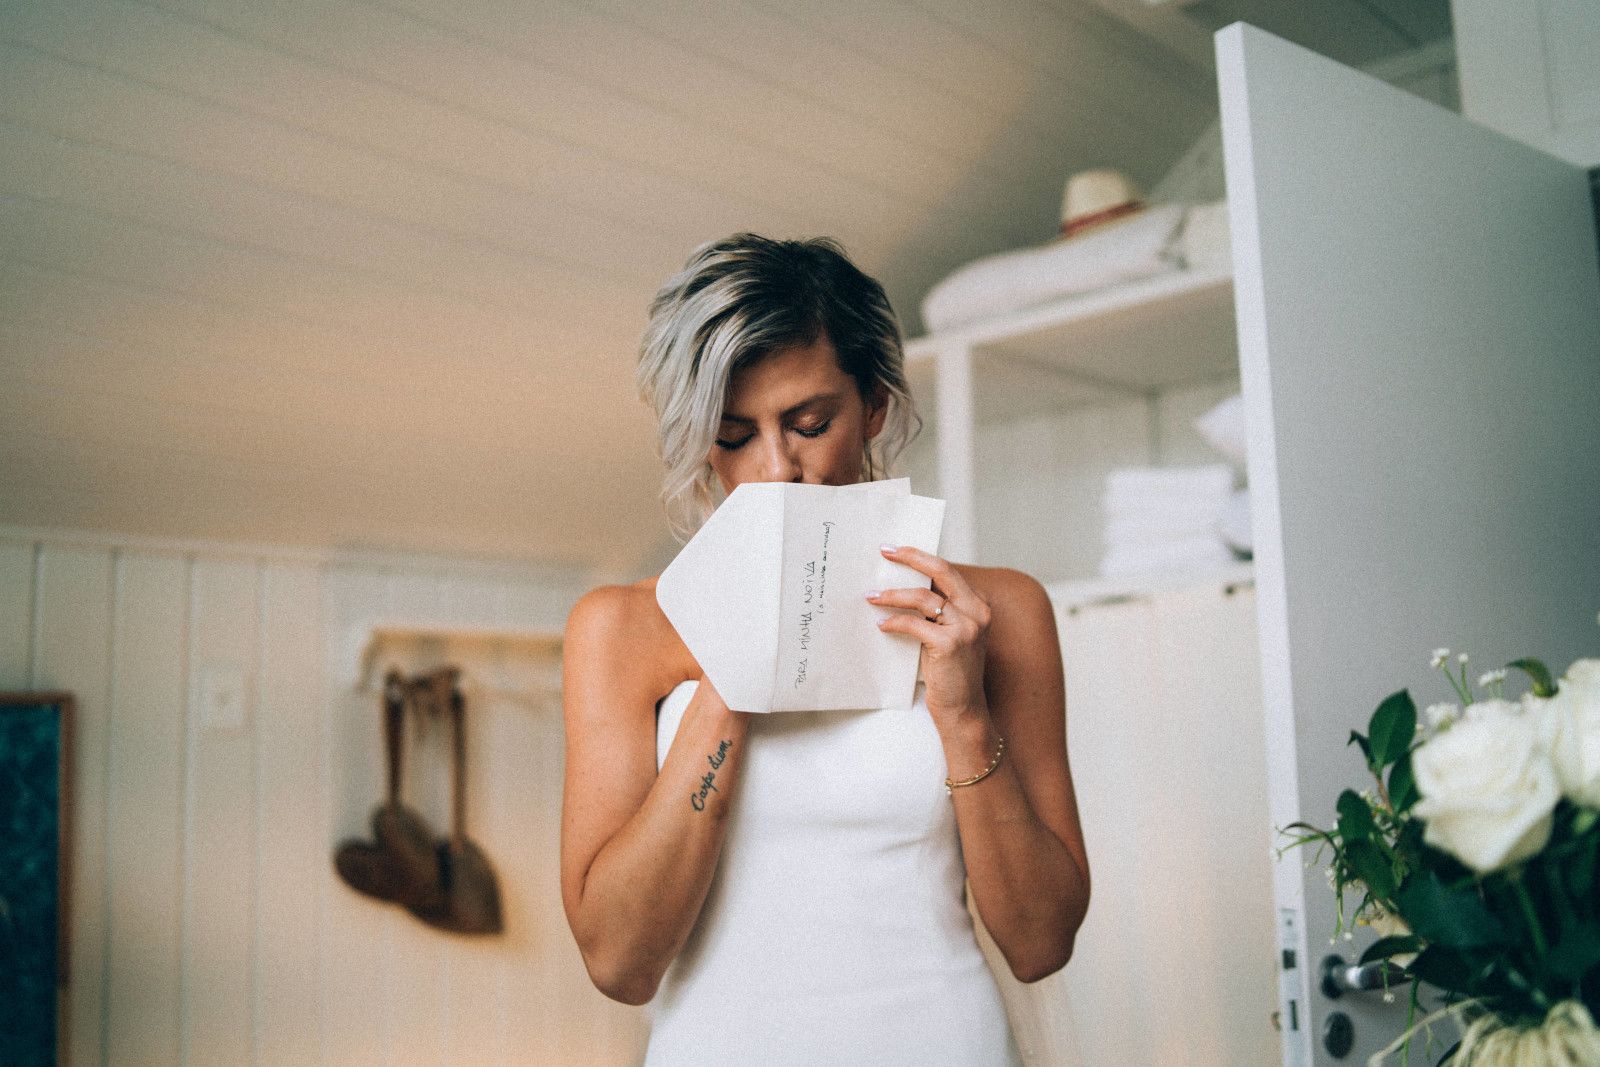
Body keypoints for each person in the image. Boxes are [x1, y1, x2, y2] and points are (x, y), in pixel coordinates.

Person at [560, 234, 1090, 1066]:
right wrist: (736, 674)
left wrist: (960, 708)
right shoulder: (621, 629)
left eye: (810, 423)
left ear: (874, 406)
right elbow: (620, 961)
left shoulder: (1001, 613)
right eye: (734, 435)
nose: (776, 469)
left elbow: (1041, 942)